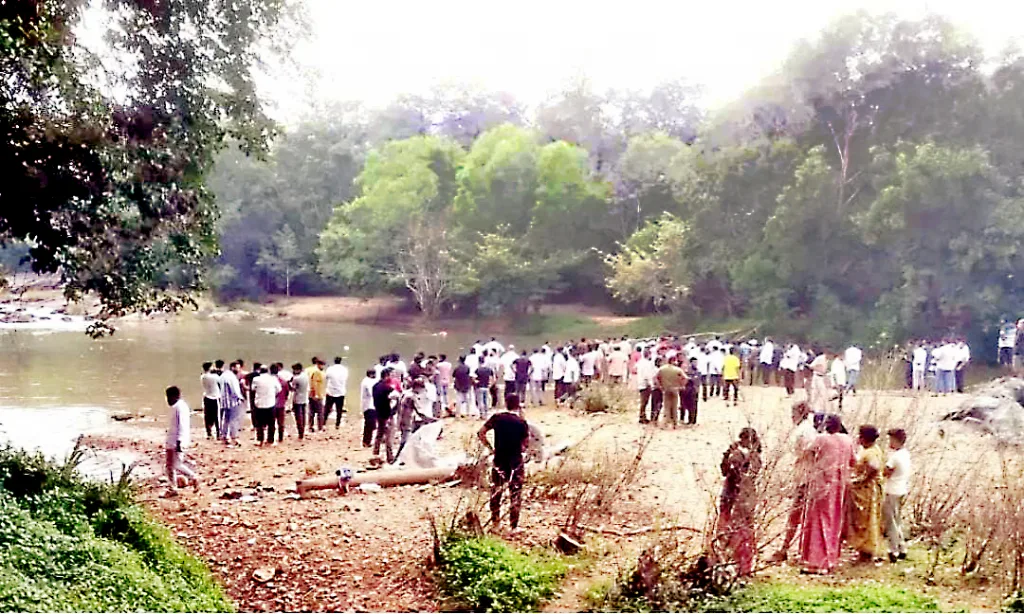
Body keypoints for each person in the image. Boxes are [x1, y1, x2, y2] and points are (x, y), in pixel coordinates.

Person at [799, 415, 855, 574]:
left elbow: (806, 453)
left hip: (822, 484)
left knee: (819, 521)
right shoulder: (847, 440)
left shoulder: (821, 439)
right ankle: (831, 558)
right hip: (839, 486)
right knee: (835, 520)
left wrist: (816, 465)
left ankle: (818, 562)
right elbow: (853, 461)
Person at [771, 402, 817, 562]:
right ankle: (796, 548)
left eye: (794, 412)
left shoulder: (806, 431)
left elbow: (806, 451)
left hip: (806, 475)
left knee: (797, 514)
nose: (791, 416)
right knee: (799, 514)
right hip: (803, 474)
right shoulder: (804, 429)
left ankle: (787, 548)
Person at [478, 393, 530, 529]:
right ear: (518, 404)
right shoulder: (521, 422)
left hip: (499, 459)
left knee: (496, 490)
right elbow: (526, 443)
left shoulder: (497, 418)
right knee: (515, 493)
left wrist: (490, 448)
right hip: (515, 461)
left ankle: (495, 522)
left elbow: (481, 432)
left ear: (505, 403)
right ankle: (513, 526)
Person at [718, 428, 762, 576]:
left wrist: (728, 455)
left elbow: (727, 473)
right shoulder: (756, 457)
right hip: (748, 495)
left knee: (730, 530)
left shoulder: (738, 455)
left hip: (733, 495)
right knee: (746, 531)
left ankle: (731, 563)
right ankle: (745, 566)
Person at [849, 425, 884, 562]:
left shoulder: (870, 453)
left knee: (865, 519)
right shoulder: (871, 450)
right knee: (865, 519)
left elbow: (874, 468)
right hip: (866, 487)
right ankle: (863, 550)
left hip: (867, 489)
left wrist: (861, 480)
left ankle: (866, 551)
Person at [883, 428, 911, 563]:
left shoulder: (895, 457)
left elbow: (885, 472)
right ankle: (902, 547)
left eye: (891, 439)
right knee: (897, 520)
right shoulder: (905, 454)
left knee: (891, 522)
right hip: (902, 489)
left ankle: (893, 549)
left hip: (892, 491)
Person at [163, 386, 198, 496]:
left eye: (168, 397)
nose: (167, 400)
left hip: (176, 440)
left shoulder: (179, 407)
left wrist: (180, 441)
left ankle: (193, 477)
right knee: (170, 465)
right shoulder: (178, 406)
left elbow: (182, 425)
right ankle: (172, 488)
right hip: (173, 439)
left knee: (176, 465)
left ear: (174, 396)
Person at [372, 368, 399, 463]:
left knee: (379, 434)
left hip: (378, 412)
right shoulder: (387, 388)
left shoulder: (375, 386)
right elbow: (397, 396)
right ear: (386, 376)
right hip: (387, 414)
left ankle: (375, 452)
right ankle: (390, 457)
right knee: (389, 437)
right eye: (390, 375)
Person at [252, 365, 281, 446]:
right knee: (271, 423)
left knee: (259, 424)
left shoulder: (256, 379)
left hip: (259, 404)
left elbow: (253, 389)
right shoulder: (273, 379)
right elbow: (279, 389)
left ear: (260, 371)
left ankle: (260, 440)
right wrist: (272, 393)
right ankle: (270, 440)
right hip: (270, 403)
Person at [655, 358, 686, 428]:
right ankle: (675, 423)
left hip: (666, 389)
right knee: (674, 407)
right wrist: (682, 386)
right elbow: (685, 378)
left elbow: (656, 377)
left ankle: (666, 423)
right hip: (675, 389)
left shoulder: (662, 369)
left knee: (667, 407)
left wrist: (659, 385)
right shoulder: (677, 369)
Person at [220, 361, 244, 447]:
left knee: (226, 419)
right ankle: (234, 437)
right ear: (233, 367)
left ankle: (224, 436)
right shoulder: (232, 377)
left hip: (224, 401)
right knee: (234, 420)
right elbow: (235, 390)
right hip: (232, 402)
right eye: (237, 367)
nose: (239, 369)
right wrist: (240, 398)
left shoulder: (223, 375)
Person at [324, 356, 349, 428]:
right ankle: (337, 424)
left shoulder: (330, 369)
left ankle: (324, 422)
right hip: (340, 392)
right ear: (340, 361)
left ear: (334, 361)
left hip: (330, 391)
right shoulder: (344, 370)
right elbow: (345, 378)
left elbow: (326, 377)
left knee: (327, 409)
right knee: (339, 409)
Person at [200, 362, 222, 439]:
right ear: (209, 368)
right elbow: (220, 381)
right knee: (217, 416)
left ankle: (209, 432)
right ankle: (218, 433)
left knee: (207, 415)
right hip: (215, 397)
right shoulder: (214, 377)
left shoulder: (202, 376)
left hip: (207, 396)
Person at [290, 363, 310, 440]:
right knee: (303, 415)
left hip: (297, 399)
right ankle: (303, 431)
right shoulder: (305, 376)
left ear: (297, 369)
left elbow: (292, 388)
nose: (293, 371)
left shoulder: (296, 378)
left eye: (294, 370)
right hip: (304, 398)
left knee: (298, 417)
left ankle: (300, 433)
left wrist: (289, 383)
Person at [305, 358, 326, 432]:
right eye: (322, 365)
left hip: (311, 394)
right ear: (319, 364)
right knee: (320, 412)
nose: (323, 367)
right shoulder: (317, 372)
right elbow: (314, 383)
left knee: (311, 412)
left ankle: (310, 426)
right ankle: (320, 427)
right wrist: (316, 394)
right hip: (317, 394)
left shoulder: (310, 370)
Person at [636, 350, 656, 424]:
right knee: (644, 402)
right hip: (645, 384)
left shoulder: (640, 362)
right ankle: (642, 417)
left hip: (640, 383)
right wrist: (651, 384)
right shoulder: (647, 364)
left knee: (643, 402)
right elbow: (647, 375)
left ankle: (642, 416)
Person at [808, 349, 830, 415]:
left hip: (823, 377)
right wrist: (818, 368)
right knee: (815, 392)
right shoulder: (819, 358)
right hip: (816, 376)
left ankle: (823, 408)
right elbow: (811, 366)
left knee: (823, 393)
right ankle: (812, 407)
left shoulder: (829, 360)